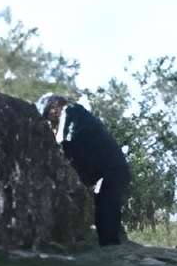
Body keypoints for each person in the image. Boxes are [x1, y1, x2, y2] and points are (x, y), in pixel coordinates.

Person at [39, 91, 132, 246]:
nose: (51, 120)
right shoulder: (80, 117)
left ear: (55, 106)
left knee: (106, 209)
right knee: (104, 207)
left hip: (112, 170)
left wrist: (58, 149)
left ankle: (111, 248)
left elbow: (69, 141)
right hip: (112, 168)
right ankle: (111, 247)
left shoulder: (71, 111)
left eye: (49, 114)